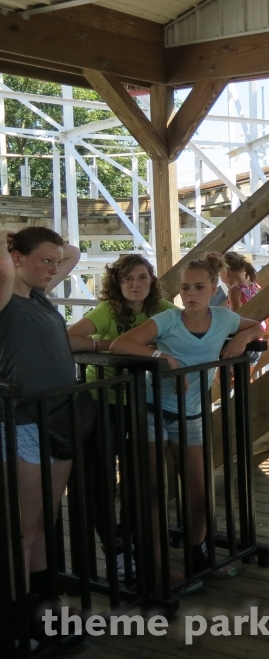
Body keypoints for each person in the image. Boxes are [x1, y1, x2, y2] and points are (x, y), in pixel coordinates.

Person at [110, 252, 264, 591]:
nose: (190, 294)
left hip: (190, 413)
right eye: (184, 288)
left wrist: (241, 338)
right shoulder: (167, 319)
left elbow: (257, 325)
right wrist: (161, 357)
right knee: (152, 490)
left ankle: (198, 554)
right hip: (152, 409)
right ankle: (156, 566)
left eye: (198, 287)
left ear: (213, 289)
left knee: (199, 489)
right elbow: (122, 343)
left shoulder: (223, 318)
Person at [66, 254, 174, 576]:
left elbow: (192, 325)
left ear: (151, 281)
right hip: (103, 401)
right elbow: (70, 338)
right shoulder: (107, 311)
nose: (135, 284)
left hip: (142, 401)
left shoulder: (163, 310)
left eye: (141, 277)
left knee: (139, 473)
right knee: (101, 475)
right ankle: (113, 545)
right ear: (117, 283)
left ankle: (133, 539)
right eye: (127, 279)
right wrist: (114, 345)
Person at [0, 226, 82, 643]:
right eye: (43, 261)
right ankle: (14, 621)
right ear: (16, 259)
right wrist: (6, 240)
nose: (53, 268)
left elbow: (75, 251)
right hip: (24, 421)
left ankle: (41, 608)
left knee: (44, 524)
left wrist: (41, 248)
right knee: (22, 528)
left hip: (58, 417)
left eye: (53, 262)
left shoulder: (38, 295)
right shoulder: (6, 297)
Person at [220, 250, 269, 347]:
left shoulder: (235, 291)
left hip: (245, 338)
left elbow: (236, 318)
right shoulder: (255, 286)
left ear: (226, 273)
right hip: (258, 335)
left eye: (219, 274)